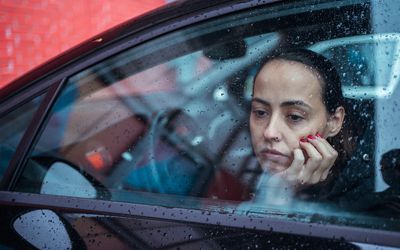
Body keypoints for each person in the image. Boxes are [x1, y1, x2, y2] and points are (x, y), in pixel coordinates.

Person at [249, 48, 347, 204]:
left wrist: (277, 199)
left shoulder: (362, 204)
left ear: (334, 122)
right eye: (260, 112)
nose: (270, 132)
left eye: (295, 117)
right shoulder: (235, 167)